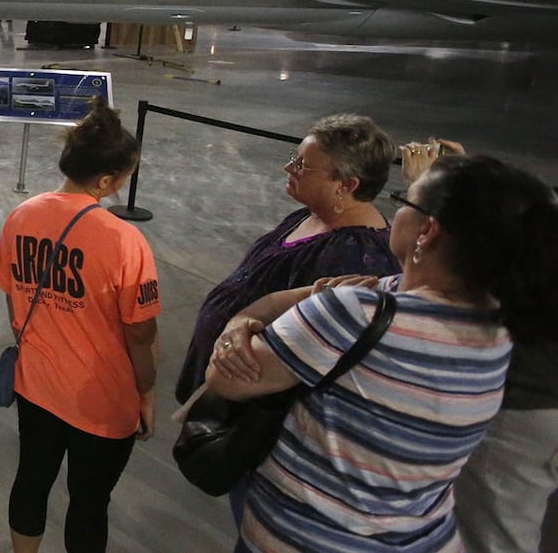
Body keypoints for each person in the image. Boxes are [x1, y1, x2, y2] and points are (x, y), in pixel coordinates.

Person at [205, 153, 558, 552]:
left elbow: (227, 381)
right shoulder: (500, 328)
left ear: (428, 231)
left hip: (309, 539)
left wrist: (243, 324)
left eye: (405, 200)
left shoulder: (355, 314)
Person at [0, 99, 160, 553]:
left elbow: (12, 300)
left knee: (32, 479)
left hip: (37, 384)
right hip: (101, 398)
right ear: (105, 181)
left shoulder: (22, 216)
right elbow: (140, 333)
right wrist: (146, 391)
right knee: (89, 502)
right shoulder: (125, 240)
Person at [393, 139, 558, 553]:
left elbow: (439, 278)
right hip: (529, 396)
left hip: (522, 405)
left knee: (490, 536)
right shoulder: (539, 214)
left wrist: (428, 197)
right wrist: (463, 185)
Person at [174, 114, 398, 403]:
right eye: (295, 157)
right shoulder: (311, 213)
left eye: (302, 164)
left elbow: (312, 348)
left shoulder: (354, 255)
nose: (288, 167)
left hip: (248, 401)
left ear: (346, 185)